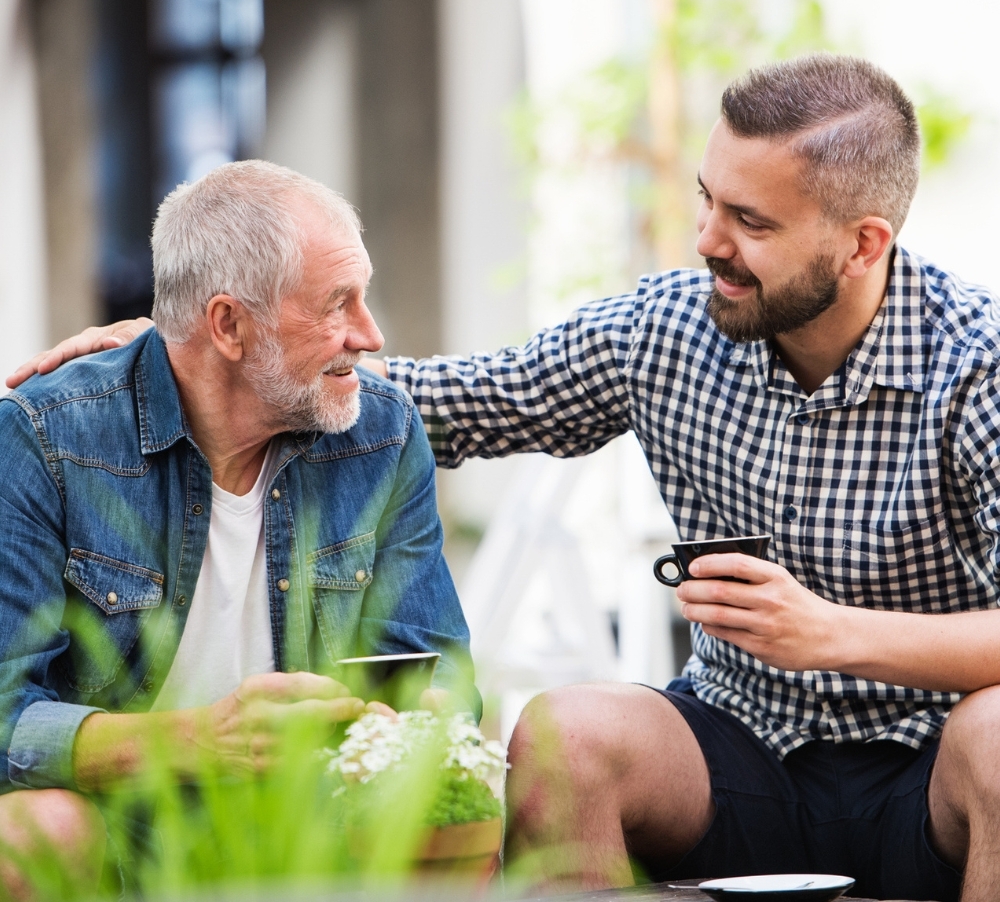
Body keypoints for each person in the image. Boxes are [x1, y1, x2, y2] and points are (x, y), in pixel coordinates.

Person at [14, 55, 1000, 901]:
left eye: (748, 220)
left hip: (930, 764)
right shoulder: (663, 331)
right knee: (565, 735)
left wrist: (833, 634)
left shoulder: (974, 365)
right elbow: (455, 399)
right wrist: (192, 347)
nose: (706, 240)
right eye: (706, 199)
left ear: (863, 241)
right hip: (736, 748)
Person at [0, 160, 476, 895]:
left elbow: (440, 671)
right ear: (228, 325)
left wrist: (425, 717)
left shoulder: (380, 434)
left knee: (451, 818)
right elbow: (7, 716)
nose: (372, 335)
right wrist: (198, 742)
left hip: (316, 818)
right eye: (338, 304)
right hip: (114, 830)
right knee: (29, 836)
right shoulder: (48, 437)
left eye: (365, 297)